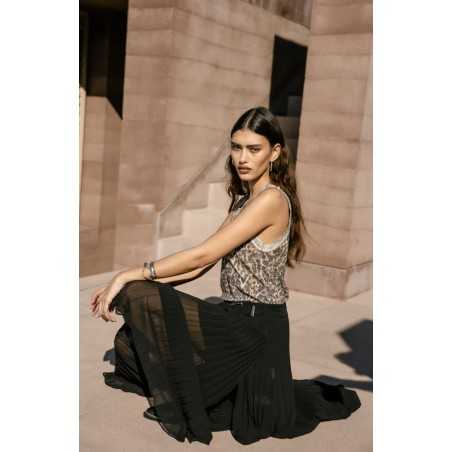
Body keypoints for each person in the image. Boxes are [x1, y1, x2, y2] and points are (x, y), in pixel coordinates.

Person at [89, 106, 361, 445]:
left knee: (139, 302)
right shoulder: (243, 201)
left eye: (254, 149)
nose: (242, 158)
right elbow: (200, 266)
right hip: (232, 319)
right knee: (132, 338)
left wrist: (127, 275)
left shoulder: (272, 200)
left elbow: (202, 255)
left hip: (258, 328)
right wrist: (134, 283)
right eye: (236, 147)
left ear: (274, 152)